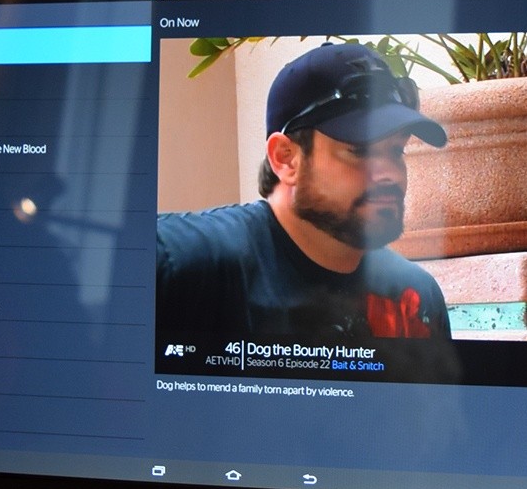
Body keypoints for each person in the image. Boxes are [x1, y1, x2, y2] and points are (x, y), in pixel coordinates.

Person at [157, 42, 452, 340]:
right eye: (360, 151)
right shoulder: (187, 264)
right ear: (286, 158)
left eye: (397, 150)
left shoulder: (417, 299)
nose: (390, 174)